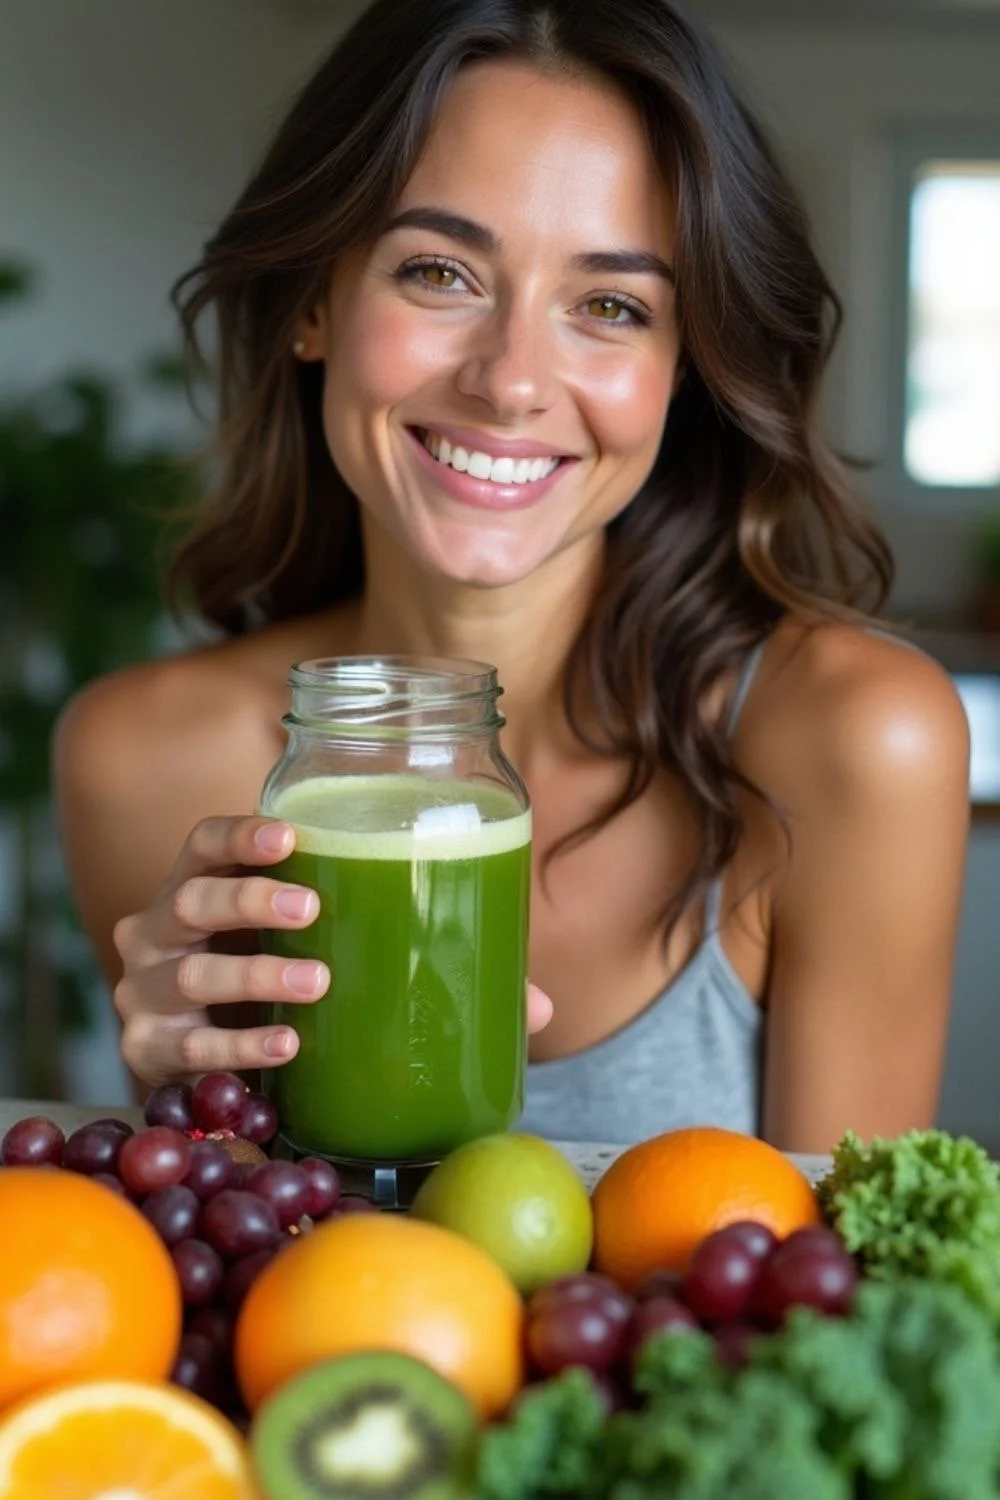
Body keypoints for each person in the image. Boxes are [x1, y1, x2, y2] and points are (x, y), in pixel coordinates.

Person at [54, 0, 969, 1154]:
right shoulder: (144, 763)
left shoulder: (849, 745)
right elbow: (234, 1285)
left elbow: (859, 1293)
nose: (512, 382)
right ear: (313, 304)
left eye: (609, 306)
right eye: (439, 272)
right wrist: (196, 1124)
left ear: (684, 370)